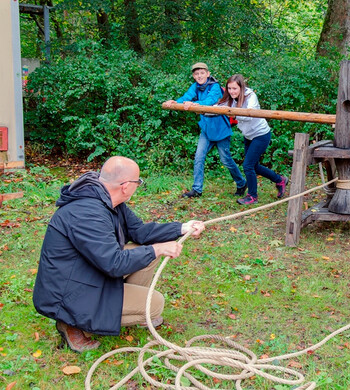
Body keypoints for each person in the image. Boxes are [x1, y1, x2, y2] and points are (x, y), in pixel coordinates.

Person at [32, 156, 205, 352]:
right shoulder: (87, 213)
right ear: (125, 186)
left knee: (148, 253)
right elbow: (113, 263)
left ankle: (121, 304)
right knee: (155, 304)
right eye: (138, 182)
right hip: (70, 293)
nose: (139, 185)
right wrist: (158, 248)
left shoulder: (108, 200)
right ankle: (71, 322)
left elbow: (140, 231)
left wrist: (182, 228)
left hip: (88, 272)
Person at [164, 62, 247, 198]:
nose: (199, 76)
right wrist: (174, 102)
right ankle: (197, 189)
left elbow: (210, 101)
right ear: (193, 76)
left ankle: (241, 183)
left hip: (220, 128)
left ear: (208, 74)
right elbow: (186, 97)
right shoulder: (195, 87)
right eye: (196, 74)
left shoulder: (214, 86)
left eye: (202, 73)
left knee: (226, 160)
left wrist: (194, 104)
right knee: (199, 157)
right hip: (207, 129)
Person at [216, 74, 288, 205]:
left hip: (261, 135)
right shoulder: (230, 99)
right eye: (229, 88)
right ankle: (280, 179)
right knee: (254, 166)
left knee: (248, 165)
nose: (232, 91)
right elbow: (217, 107)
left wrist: (231, 112)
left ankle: (252, 196)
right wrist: (199, 109)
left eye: (234, 88)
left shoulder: (250, 96)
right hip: (248, 135)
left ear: (241, 87)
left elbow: (249, 115)